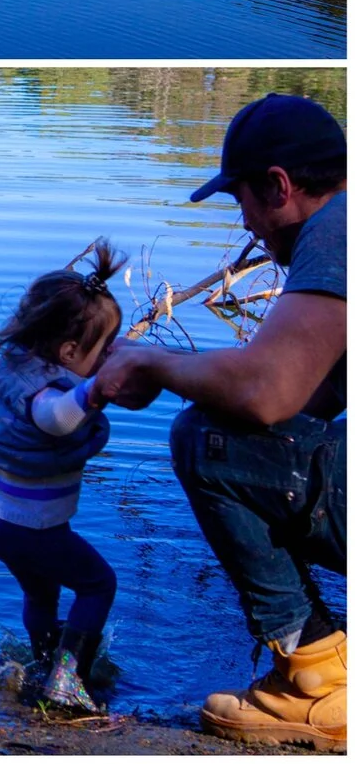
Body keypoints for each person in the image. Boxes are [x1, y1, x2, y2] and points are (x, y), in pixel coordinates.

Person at [94, 92, 347, 749]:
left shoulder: (338, 229)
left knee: (207, 439)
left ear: (279, 186)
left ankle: (318, 682)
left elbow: (265, 392)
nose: (249, 228)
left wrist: (155, 362)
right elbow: (303, 403)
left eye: (243, 203)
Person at [0, 240, 126, 712]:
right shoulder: (49, 392)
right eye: (100, 352)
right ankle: (66, 679)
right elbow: (55, 419)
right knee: (98, 584)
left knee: (41, 591)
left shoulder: (19, 366)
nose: (104, 360)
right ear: (67, 350)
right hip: (32, 525)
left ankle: (42, 664)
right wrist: (96, 392)